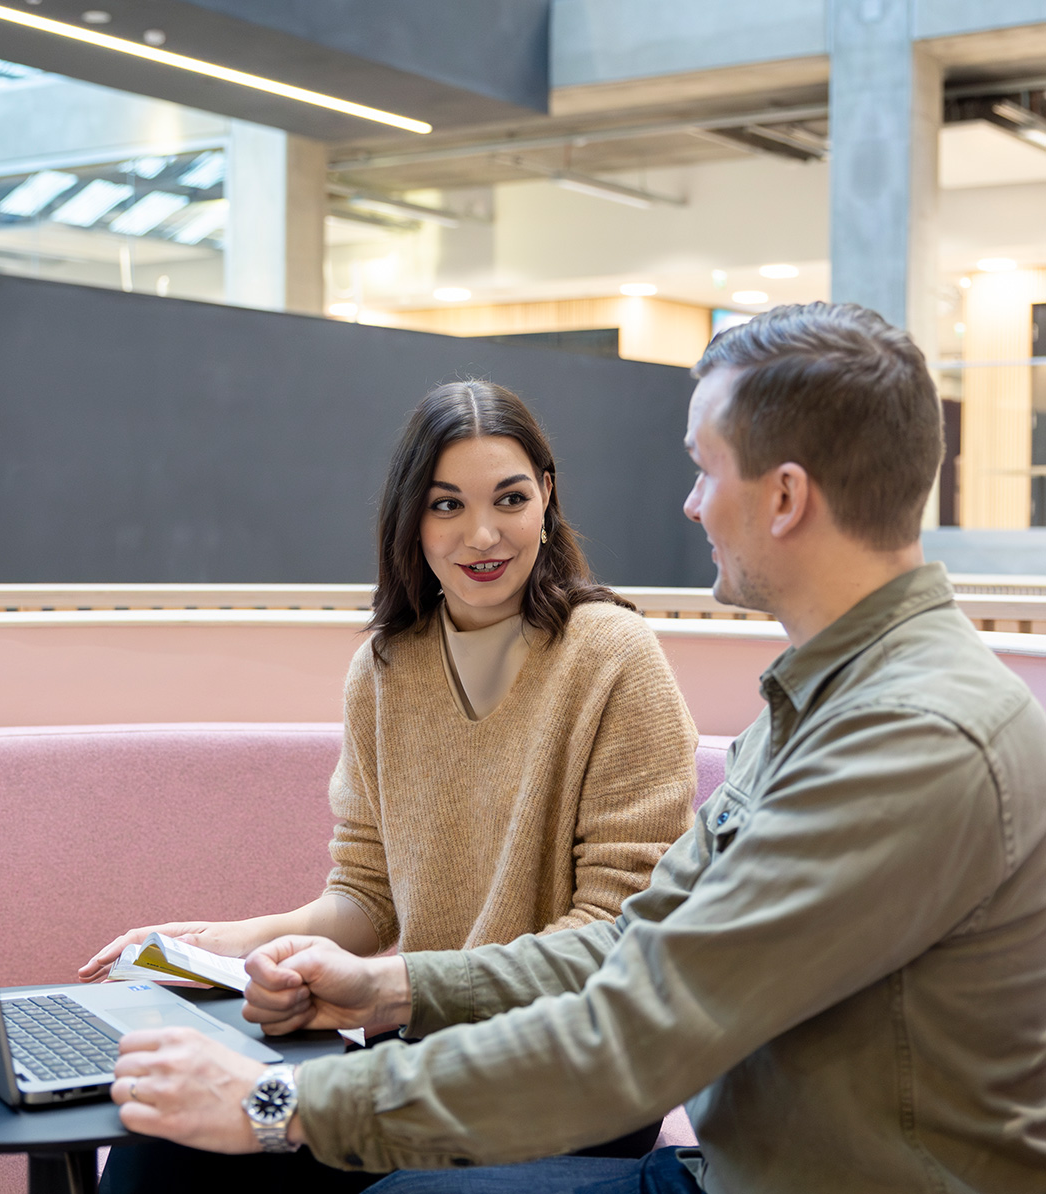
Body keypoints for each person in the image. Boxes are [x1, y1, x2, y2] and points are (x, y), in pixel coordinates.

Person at [106, 303, 1046, 1193]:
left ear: (786, 496)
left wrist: (281, 1103)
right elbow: (631, 946)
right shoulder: (821, 698)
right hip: (717, 1163)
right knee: (172, 1159)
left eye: (703, 470)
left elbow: (639, 1031)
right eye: (444, 506)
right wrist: (382, 988)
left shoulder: (912, 738)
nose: (688, 505)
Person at [86, 380, 698, 1189]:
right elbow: (367, 897)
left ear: (545, 500)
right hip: (417, 1061)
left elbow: (618, 935)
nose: (482, 534)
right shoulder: (383, 670)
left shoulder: (615, 657)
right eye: (446, 505)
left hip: (565, 1080)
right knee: (160, 1155)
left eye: (508, 498)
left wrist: (388, 991)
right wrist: (214, 943)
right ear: (411, 517)